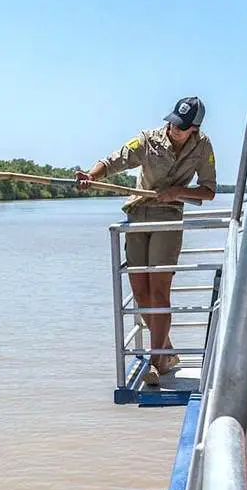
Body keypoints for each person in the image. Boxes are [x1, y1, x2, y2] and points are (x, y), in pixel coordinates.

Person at [78, 97, 217, 383]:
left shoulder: (203, 146)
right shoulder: (147, 139)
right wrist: (90, 176)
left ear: (194, 128)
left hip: (168, 216)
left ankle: (156, 362)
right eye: (173, 123)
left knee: (159, 292)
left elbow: (209, 191)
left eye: (181, 127)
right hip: (138, 213)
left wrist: (177, 192)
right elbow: (113, 160)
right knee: (140, 291)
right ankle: (166, 350)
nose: (174, 129)